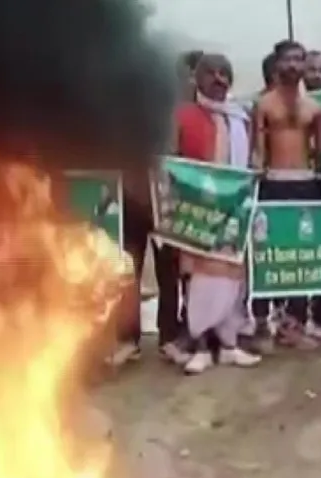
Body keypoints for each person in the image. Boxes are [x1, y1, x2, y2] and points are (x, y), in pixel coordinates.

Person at [111, 53, 202, 367]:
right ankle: (128, 340)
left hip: (164, 204)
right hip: (130, 202)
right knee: (128, 273)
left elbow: (179, 158)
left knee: (169, 274)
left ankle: (169, 339)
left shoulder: (173, 115)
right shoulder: (119, 115)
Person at [174, 53, 261, 374]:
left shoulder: (242, 118)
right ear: (197, 79)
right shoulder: (183, 116)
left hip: (234, 212)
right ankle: (200, 348)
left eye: (224, 73)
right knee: (198, 280)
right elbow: (171, 160)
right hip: (197, 212)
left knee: (232, 279)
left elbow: (252, 159)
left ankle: (228, 345)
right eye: (210, 73)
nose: (219, 79)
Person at [251, 40, 321, 350]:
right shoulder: (263, 104)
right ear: (277, 64)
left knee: (301, 253)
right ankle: (260, 322)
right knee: (267, 251)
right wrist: (256, 175)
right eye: (288, 60)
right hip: (273, 182)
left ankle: (294, 323)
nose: (294, 65)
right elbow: (257, 149)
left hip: (305, 183)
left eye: (299, 59)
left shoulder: (316, 108)